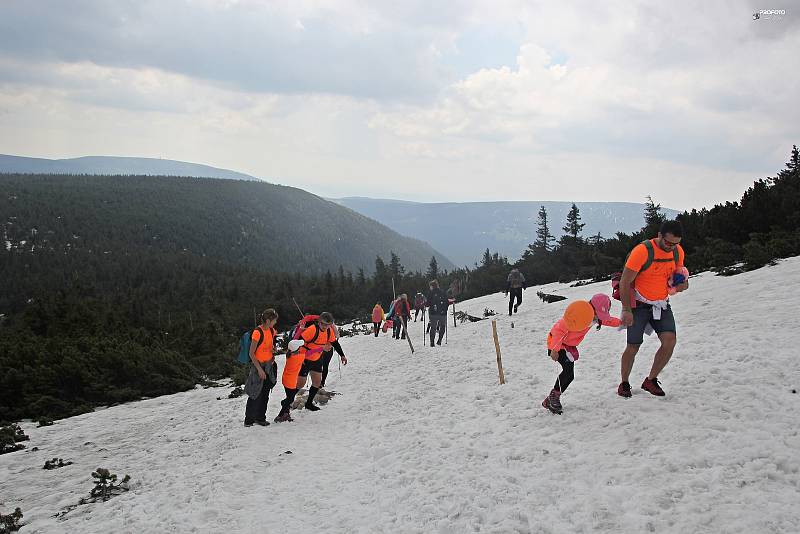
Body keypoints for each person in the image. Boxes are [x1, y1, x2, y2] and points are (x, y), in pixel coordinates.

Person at [617, 220, 689, 398]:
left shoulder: (677, 252)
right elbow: (625, 281)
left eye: (675, 244)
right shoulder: (642, 251)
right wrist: (626, 309)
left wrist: (681, 285)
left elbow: (678, 275)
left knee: (669, 341)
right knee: (633, 346)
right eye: (668, 242)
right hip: (639, 305)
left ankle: (651, 380)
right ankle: (624, 383)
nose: (671, 247)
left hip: (661, 304)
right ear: (659, 236)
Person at [542, 295, 621, 414]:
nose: (597, 317)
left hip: (568, 346)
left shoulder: (594, 318)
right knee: (568, 372)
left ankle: (550, 399)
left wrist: (623, 322)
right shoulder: (576, 315)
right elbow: (558, 330)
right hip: (556, 345)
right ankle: (553, 397)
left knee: (570, 375)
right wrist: (555, 349)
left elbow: (608, 321)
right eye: (597, 314)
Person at [274, 312, 347, 422]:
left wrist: (342, 355)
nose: (325, 327)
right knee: (300, 384)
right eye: (323, 324)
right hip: (305, 359)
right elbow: (299, 343)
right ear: (319, 322)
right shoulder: (312, 330)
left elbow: (334, 343)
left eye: (328, 325)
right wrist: (320, 348)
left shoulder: (329, 331)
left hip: (317, 359)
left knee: (317, 383)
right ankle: (287, 402)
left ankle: (308, 404)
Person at [243, 309, 279, 427]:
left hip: (269, 365)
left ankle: (260, 418)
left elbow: (269, 345)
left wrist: (272, 349)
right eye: (274, 321)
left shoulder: (271, 330)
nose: (275, 323)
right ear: (268, 321)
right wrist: (259, 369)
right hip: (258, 365)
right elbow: (251, 353)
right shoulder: (257, 332)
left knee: (265, 393)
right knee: (255, 393)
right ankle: (249, 420)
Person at [425, 280, 449, 347]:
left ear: (432, 286)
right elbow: (447, 302)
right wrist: (445, 310)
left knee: (433, 327)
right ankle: (439, 340)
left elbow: (428, 303)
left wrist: (425, 304)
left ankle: (432, 343)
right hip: (442, 313)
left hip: (433, 313)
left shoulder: (431, 293)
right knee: (443, 326)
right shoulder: (443, 292)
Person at [319, 322, 341, 390]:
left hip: (320, 348)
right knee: (325, 366)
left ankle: (318, 383)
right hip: (329, 348)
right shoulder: (332, 325)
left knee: (318, 366)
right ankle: (322, 382)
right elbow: (337, 336)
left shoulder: (320, 324)